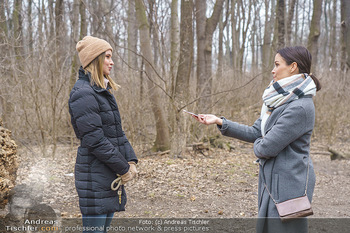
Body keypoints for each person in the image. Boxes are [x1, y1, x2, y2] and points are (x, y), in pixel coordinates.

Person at [194, 46, 321, 233]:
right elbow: (256, 132)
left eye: (277, 64)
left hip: (289, 187)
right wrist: (219, 121)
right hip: (272, 182)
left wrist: (261, 143)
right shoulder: (279, 100)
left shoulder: (300, 107)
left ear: (293, 67)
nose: (273, 69)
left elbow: (265, 148)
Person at [68, 36, 138, 233]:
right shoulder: (83, 93)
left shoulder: (103, 91)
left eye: (111, 56)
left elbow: (117, 132)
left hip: (107, 173)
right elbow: (95, 140)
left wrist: (131, 160)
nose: (112, 61)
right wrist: (123, 168)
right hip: (93, 176)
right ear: (95, 59)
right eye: (107, 56)